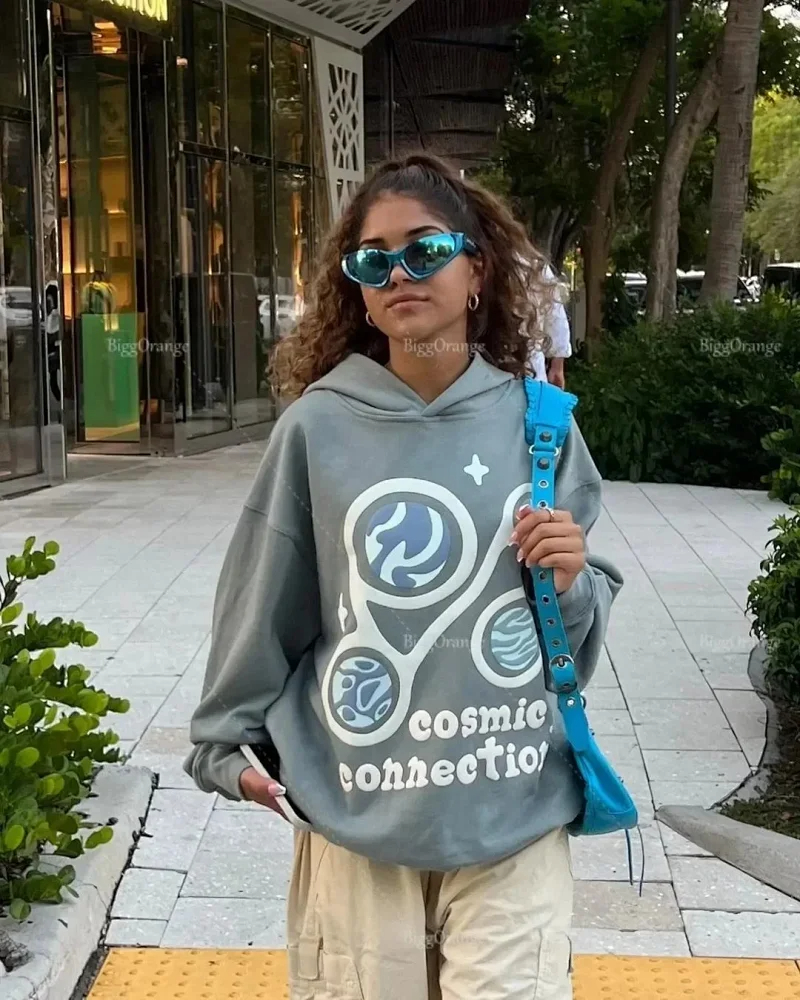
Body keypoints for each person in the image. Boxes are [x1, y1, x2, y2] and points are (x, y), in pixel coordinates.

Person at [185, 153, 622, 1000]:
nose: (399, 273)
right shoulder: (316, 429)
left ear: (476, 271)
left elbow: (572, 644)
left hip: (514, 812)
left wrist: (571, 582)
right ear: (356, 287)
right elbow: (264, 599)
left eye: (425, 249)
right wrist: (223, 749)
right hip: (358, 821)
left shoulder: (541, 427)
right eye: (374, 259)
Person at [530, 263, 571, 389]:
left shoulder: (478, 257)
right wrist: (557, 366)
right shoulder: (534, 263)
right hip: (531, 377)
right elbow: (556, 317)